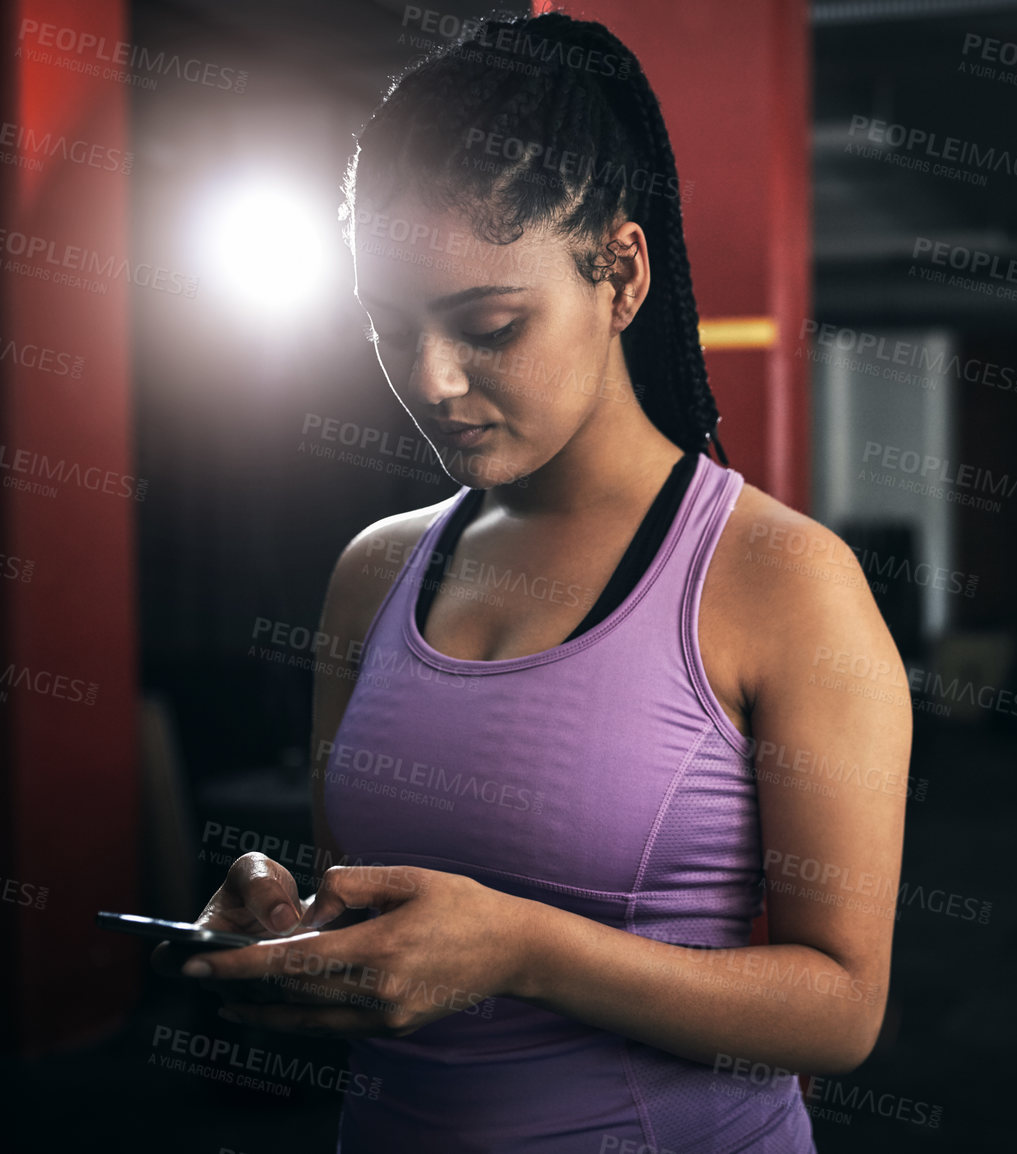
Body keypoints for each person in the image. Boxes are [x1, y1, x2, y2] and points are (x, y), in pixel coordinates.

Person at [152, 13, 910, 1152]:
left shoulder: (782, 580)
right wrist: (281, 924)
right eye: (388, 327)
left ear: (619, 273)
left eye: (490, 324)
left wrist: (524, 948)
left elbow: (842, 1008)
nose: (431, 379)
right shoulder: (374, 570)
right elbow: (370, 906)